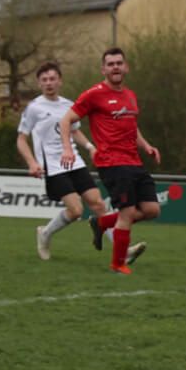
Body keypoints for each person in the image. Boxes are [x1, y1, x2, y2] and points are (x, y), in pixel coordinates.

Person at [59, 47, 161, 275]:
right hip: (112, 163)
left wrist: (146, 146)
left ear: (126, 67)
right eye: (111, 64)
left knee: (152, 209)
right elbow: (65, 121)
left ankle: (102, 223)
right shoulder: (94, 94)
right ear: (103, 69)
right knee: (127, 213)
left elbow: (131, 125)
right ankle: (118, 264)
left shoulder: (130, 95)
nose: (115, 67)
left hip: (134, 161)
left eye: (119, 63)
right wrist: (67, 148)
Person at [15, 61, 112, 261]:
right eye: (44, 80)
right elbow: (21, 139)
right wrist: (32, 163)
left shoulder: (69, 105)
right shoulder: (34, 108)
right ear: (39, 84)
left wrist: (90, 147)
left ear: (60, 81)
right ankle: (45, 233)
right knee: (76, 210)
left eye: (52, 79)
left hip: (74, 161)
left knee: (98, 203)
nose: (48, 83)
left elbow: (74, 132)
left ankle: (123, 251)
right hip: (52, 165)